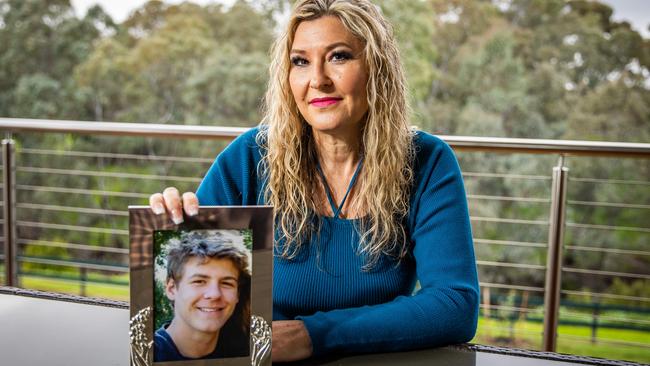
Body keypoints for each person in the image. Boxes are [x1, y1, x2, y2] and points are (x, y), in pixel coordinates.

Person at [150, 0, 479, 362]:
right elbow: (191, 276)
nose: (317, 80)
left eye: (338, 56)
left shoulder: (428, 162)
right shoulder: (249, 157)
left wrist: (312, 335)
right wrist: (172, 219)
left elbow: (454, 304)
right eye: (300, 61)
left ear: (376, 68)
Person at [154, 232, 251, 362]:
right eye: (199, 281)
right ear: (171, 289)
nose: (214, 294)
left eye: (226, 283)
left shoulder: (248, 352)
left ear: (237, 294)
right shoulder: (146, 352)